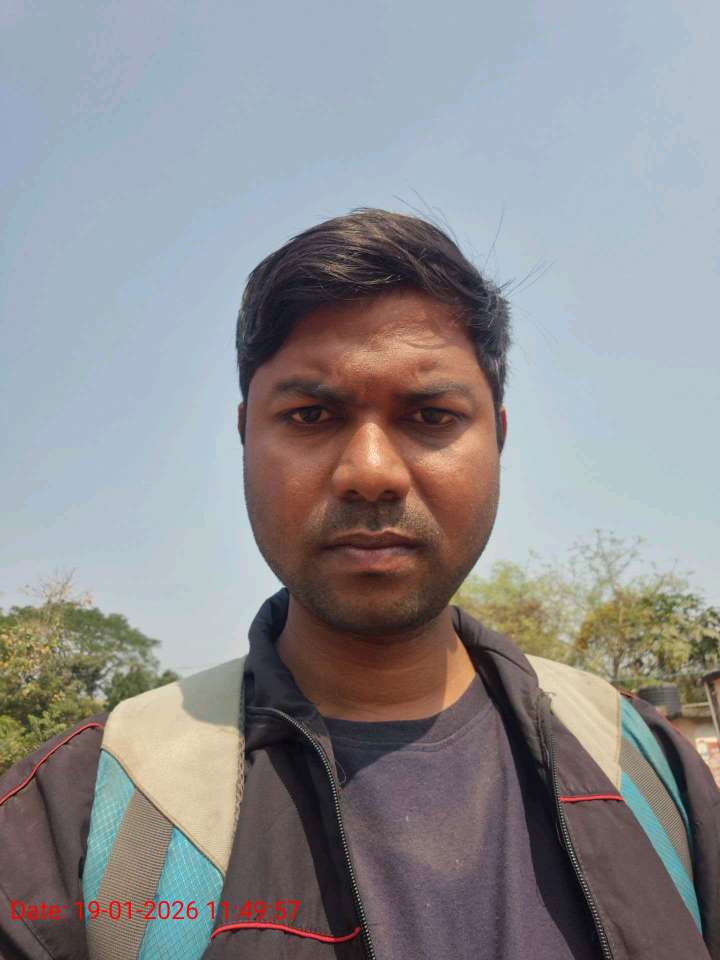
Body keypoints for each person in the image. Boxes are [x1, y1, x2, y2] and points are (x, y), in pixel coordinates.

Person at [1, 209, 718, 960]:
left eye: (431, 415)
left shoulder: (644, 767)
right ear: (245, 435)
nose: (371, 472)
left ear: (499, 438)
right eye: (311, 414)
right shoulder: (80, 816)